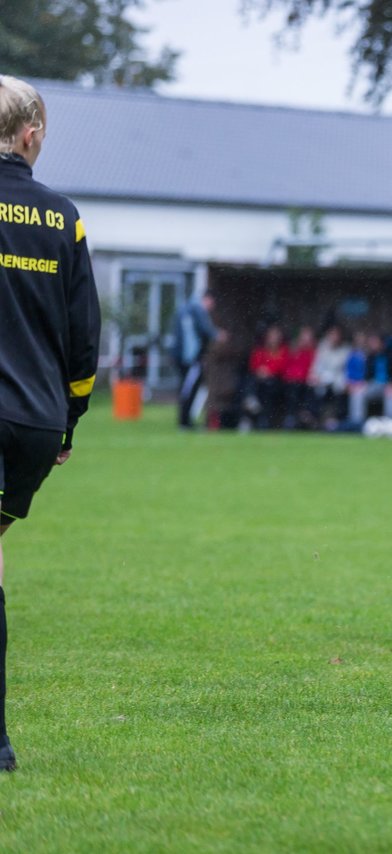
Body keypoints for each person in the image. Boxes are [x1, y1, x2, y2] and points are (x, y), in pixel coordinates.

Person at [0, 76, 102, 770]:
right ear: (30, 134)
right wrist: (70, 419)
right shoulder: (64, 219)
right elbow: (84, 337)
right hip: (33, 424)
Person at [170, 291, 219, 429]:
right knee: (188, 389)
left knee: (188, 388)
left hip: (184, 358)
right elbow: (205, 330)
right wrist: (217, 335)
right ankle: (184, 422)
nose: (211, 308)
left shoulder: (186, 309)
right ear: (207, 299)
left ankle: (186, 420)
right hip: (190, 360)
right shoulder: (196, 310)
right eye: (211, 304)